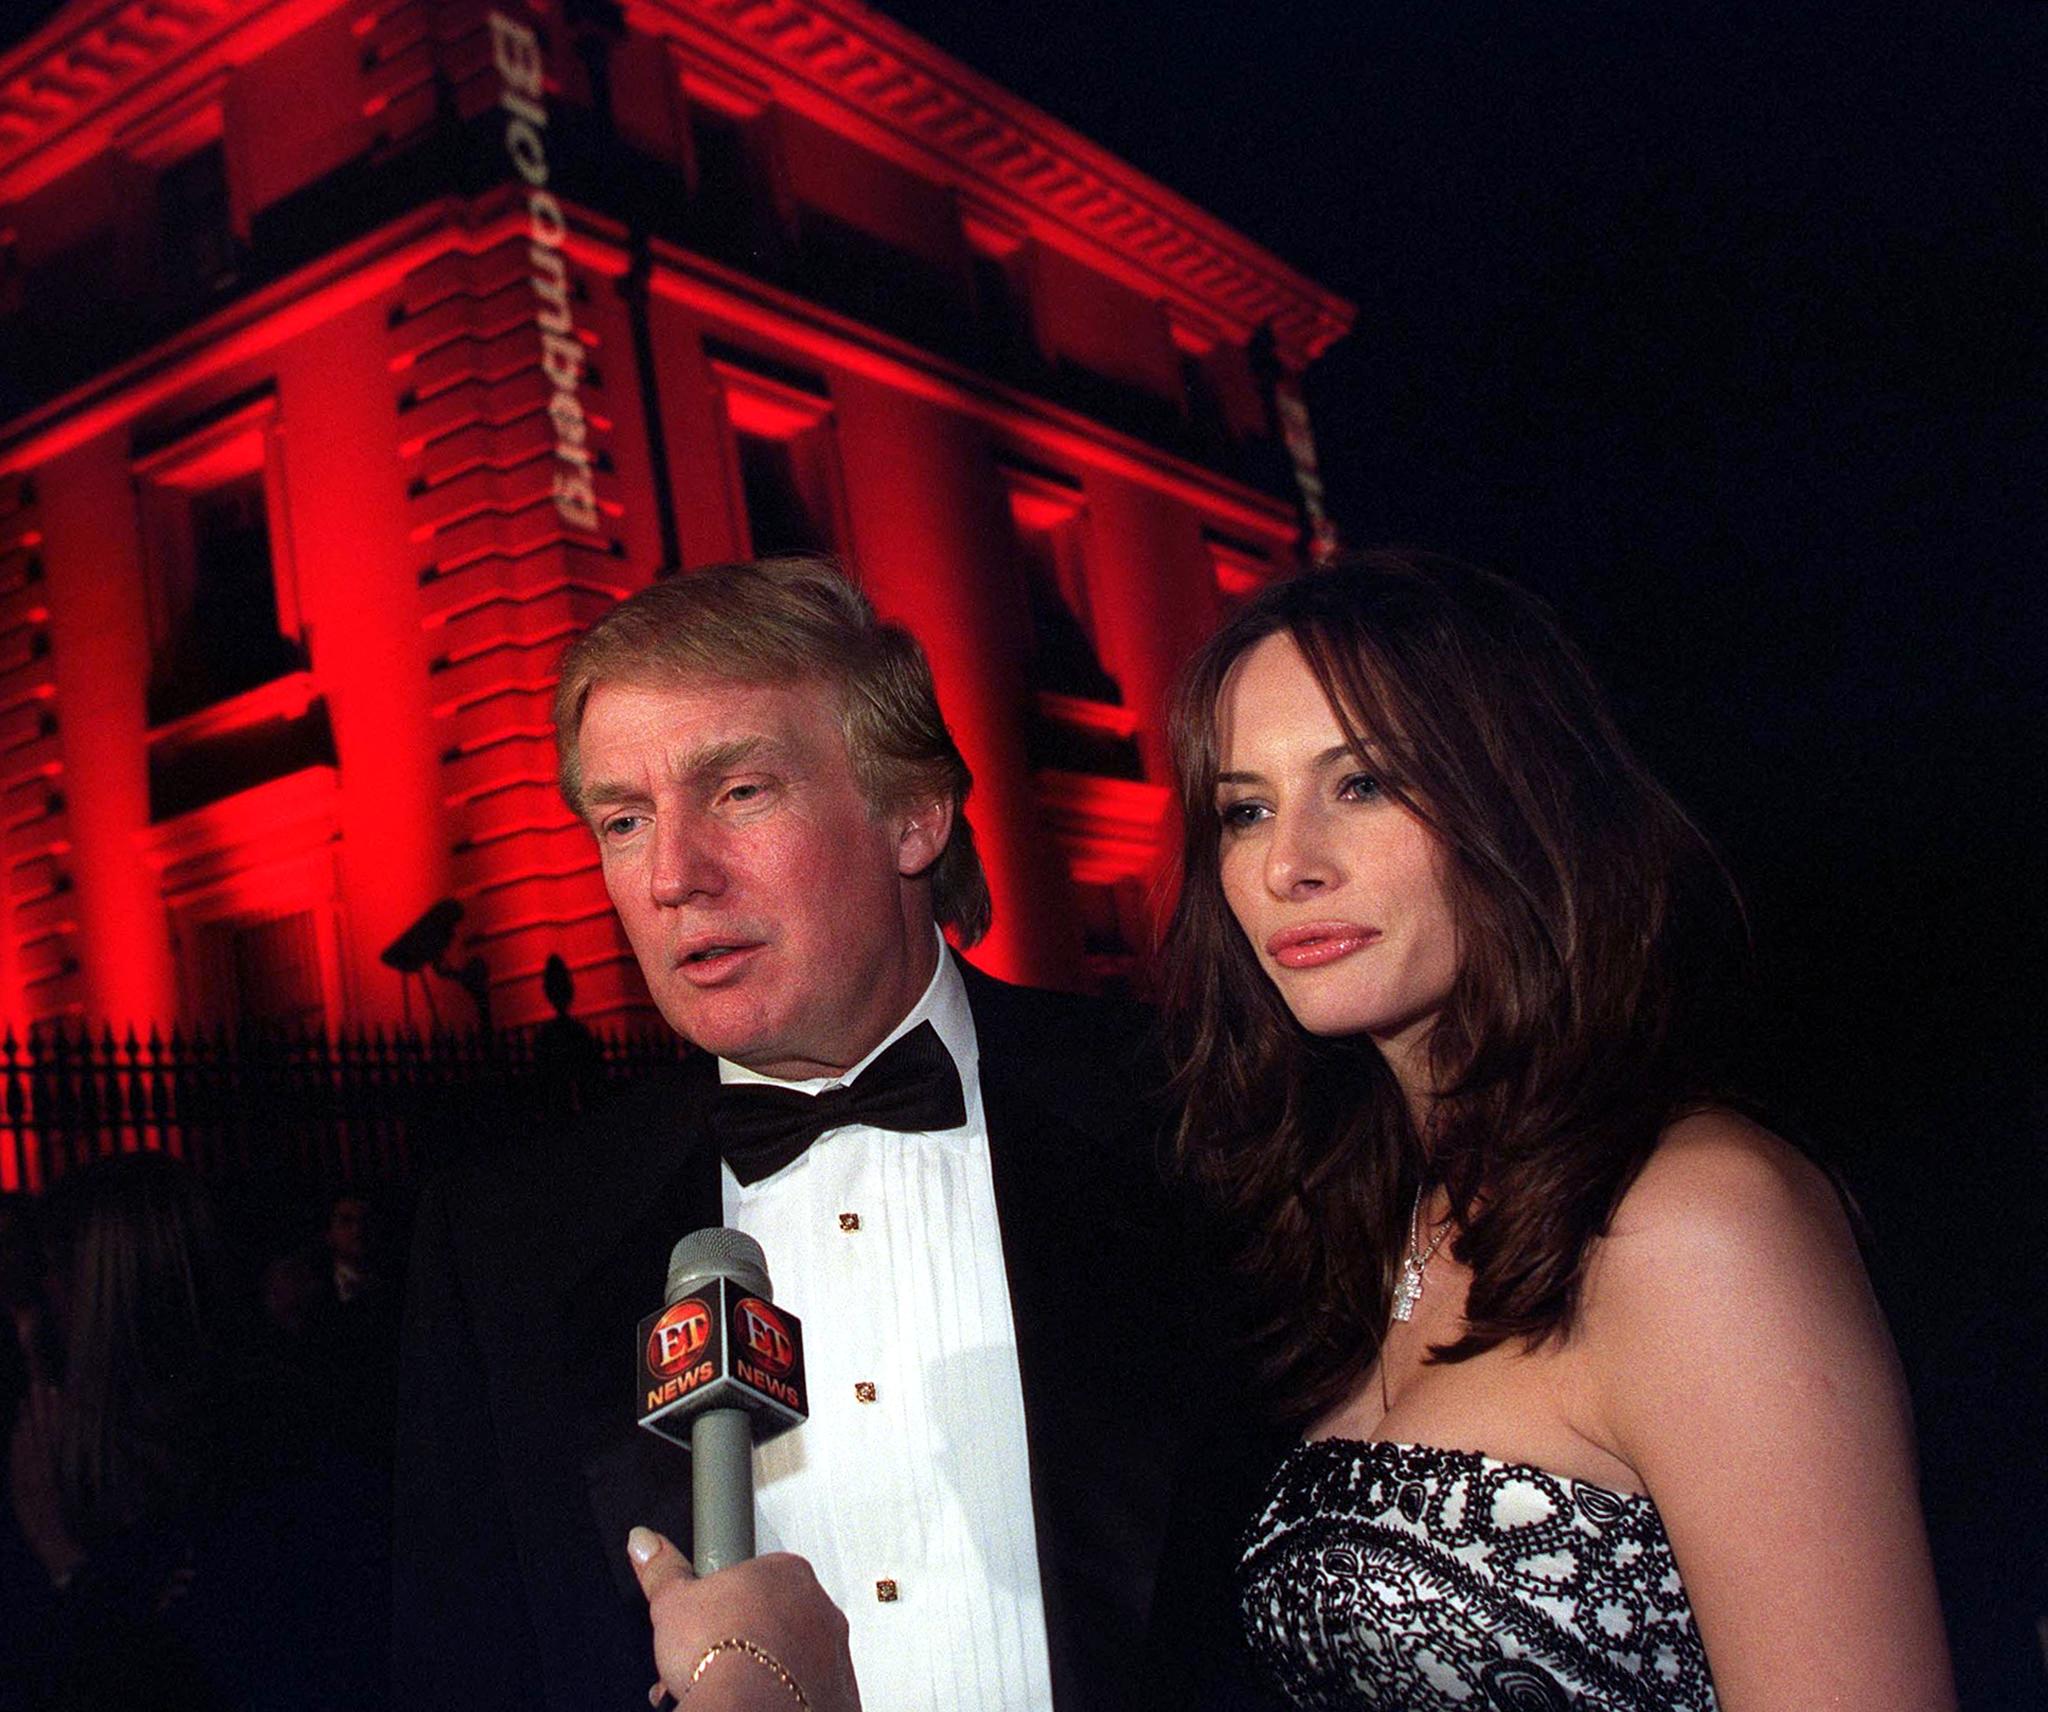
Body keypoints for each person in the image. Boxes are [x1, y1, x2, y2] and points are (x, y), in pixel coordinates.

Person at [393, 557, 1247, 1712]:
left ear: (913, 812)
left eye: (738, 791)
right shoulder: (504, 1241)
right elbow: (466, 1660)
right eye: (625, 818)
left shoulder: (1209, 1113)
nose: (671, 876)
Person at [1158, 551, 1956, 1709]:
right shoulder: (1374, 1218)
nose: (1288, 864)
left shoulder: (1689, 1218)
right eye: (1244, 808)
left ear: (1516, 802)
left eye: (1364, 784)